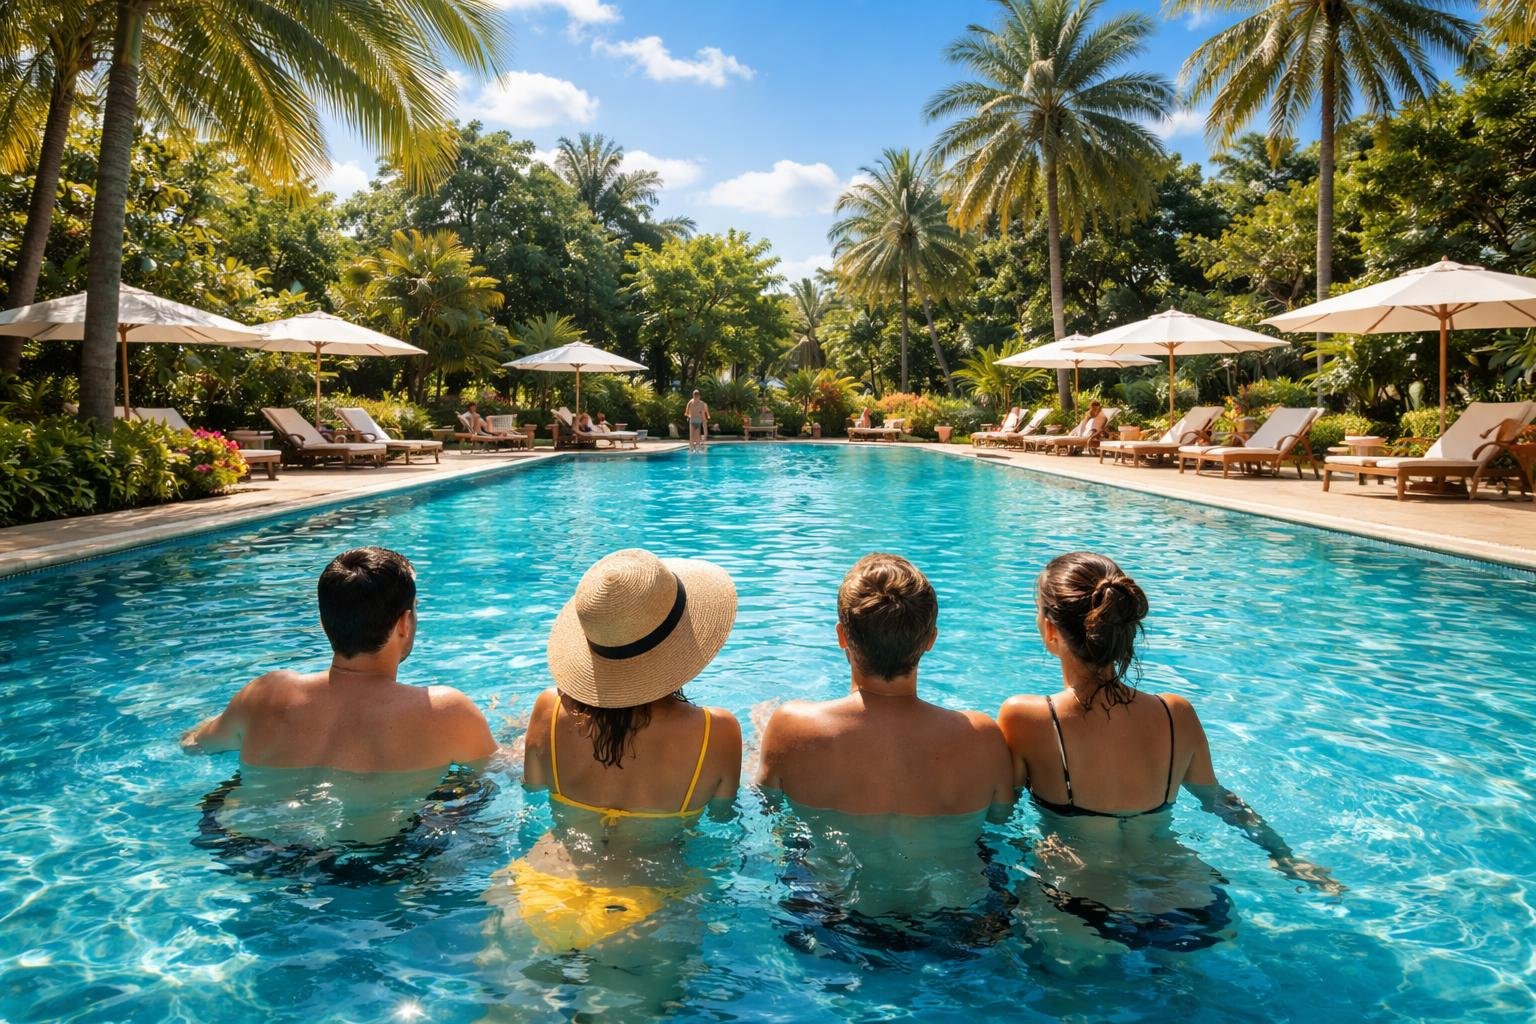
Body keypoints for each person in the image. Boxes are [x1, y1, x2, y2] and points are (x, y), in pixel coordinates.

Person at [997, 552, 1340, 946]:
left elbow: (998, 815)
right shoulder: (1175, 712)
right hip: (1188, 899)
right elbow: (1221, 801)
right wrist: (1283, 854)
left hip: (1080, 900)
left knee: (1074, 1000)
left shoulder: (1026, 717)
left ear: (1048, 628)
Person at [488, 548, 742, 954]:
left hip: (539, 884)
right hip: (649, 902)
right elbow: (724, 819)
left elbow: (532, 794)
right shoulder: (718, 730)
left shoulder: (547, 710)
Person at [181, 547, 496, 772]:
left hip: (253, 852)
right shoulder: (447, 711)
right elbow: (512, 773)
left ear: (323, 621)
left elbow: (192, 744)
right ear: (404, 623)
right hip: (375, 860)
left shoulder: (263, 695)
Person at [756, 553, 1014, 818]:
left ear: (842, 636)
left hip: (829, 860)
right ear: (931, 639)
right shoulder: (983, 739)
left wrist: (762, 744)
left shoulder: (790, 727)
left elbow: (767, 807)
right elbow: (1000, 823)